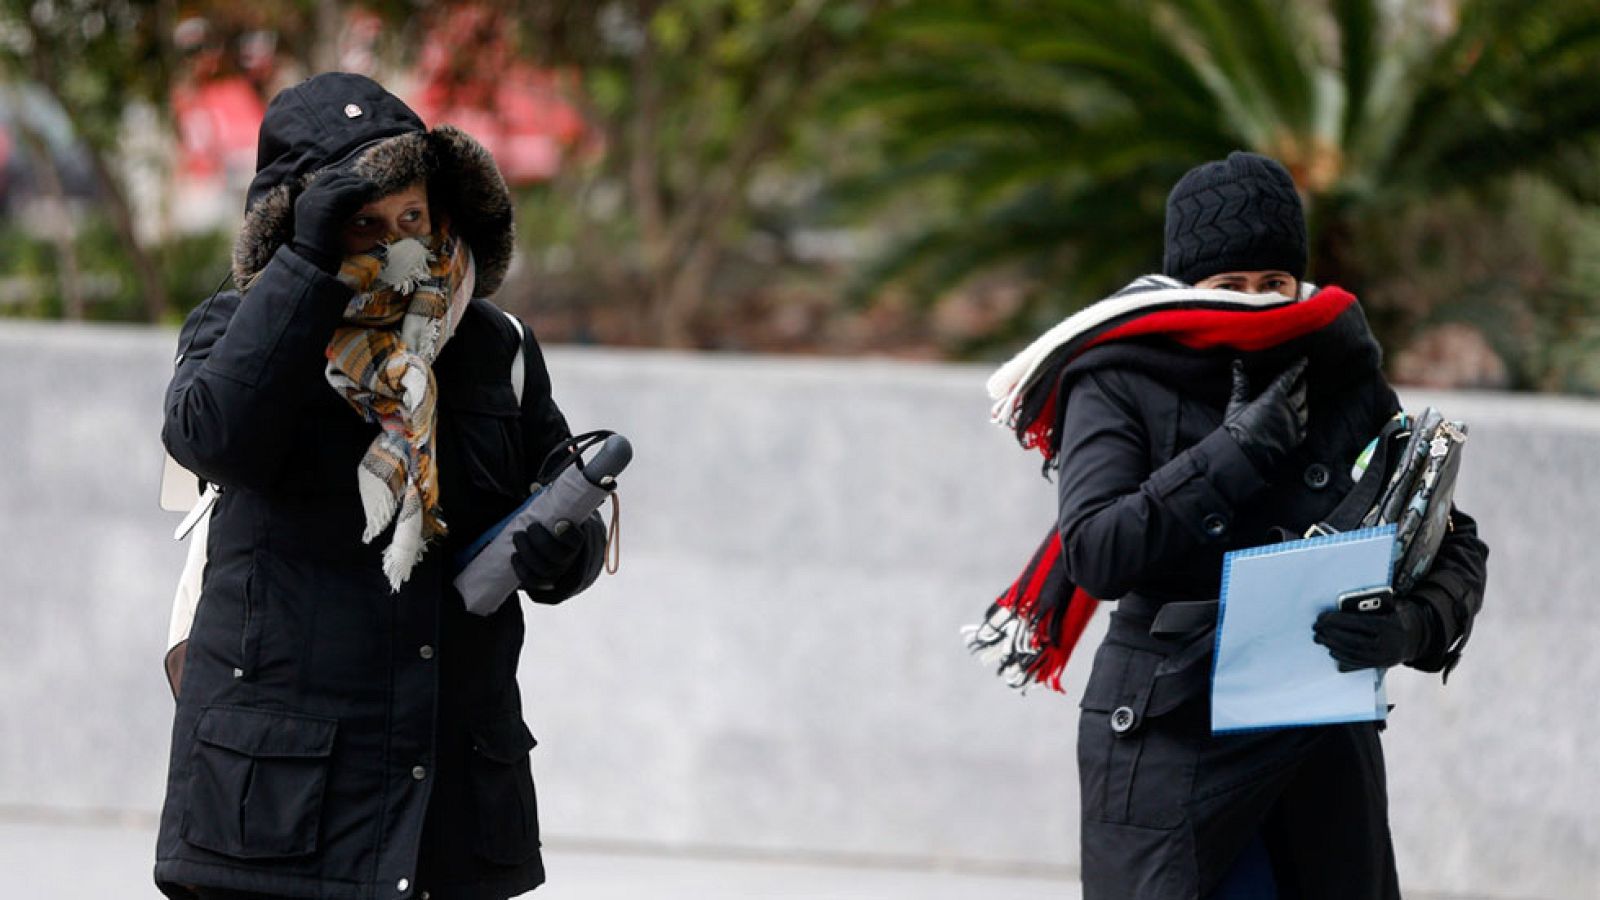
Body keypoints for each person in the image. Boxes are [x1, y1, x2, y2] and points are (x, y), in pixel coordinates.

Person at [984, 152, 1488, 898]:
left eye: (1272, 285)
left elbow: (1447, 534)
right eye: (1229, 287)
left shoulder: (1340, 367)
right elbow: (1096, 550)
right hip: (1173, 742)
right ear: (1187, 286)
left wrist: (1409, 628)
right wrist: (1236, 452)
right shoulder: (1118, 375)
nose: (1254, 304)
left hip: (1317, 744)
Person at [154, 72, 607, 900]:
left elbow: (550, 493)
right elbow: (213, 441)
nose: (398, 242)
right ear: (303, 226)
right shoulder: (237, 329)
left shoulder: (494, 344)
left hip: (448, 802)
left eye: (412, 217)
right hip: (281, 810)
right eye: (364, 221)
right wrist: (305, 266)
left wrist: (566, 550)